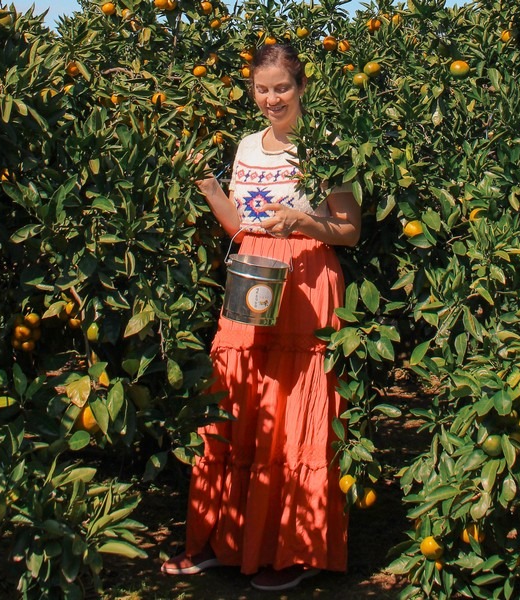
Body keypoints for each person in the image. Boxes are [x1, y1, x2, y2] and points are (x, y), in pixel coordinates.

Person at [161, 43, 361, 592]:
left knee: (294, 410)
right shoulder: (248, 145)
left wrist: (301, 221)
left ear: (301, 88)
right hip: (253, 277)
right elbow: (240, 227)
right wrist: (209, 190)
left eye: (281, 89)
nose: (271, 99)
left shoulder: (324, 145)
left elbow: (348, 230)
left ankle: (296, 551)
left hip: (305, 282)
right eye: (262, 89)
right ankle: (225, 544)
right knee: (238, 403)